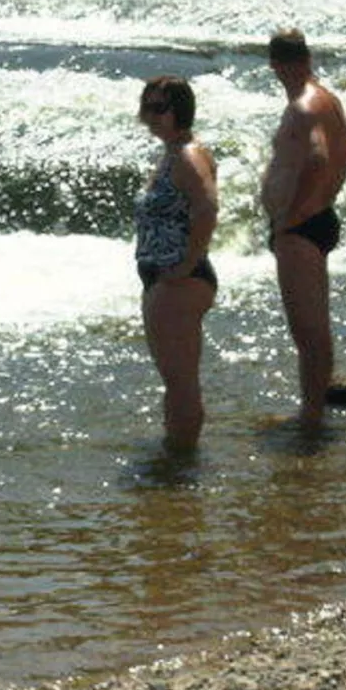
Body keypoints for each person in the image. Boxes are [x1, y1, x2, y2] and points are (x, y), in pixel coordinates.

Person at [259, 28, 346, 429]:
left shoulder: (302, 105)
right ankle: (312, 411)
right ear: (307, 57)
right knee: (315, 327)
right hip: (316, 219)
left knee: (308, 330)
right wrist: (326, 197)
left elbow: (318, 158)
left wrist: (291, 216)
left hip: (301, 229)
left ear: (276, 65)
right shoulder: (326, 99)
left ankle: (311, 416)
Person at [135, 76, 220, 454]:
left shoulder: (188, 154)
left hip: (180, 281)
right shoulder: (172, 151)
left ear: (179, 111)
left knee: (181, 381)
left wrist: (185, 265)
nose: (149, 115)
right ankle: (177, 457)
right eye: (146, 106)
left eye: (158, 108)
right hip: (165, 277)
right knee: (175, 379)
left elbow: (207, 207)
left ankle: (182, 465)